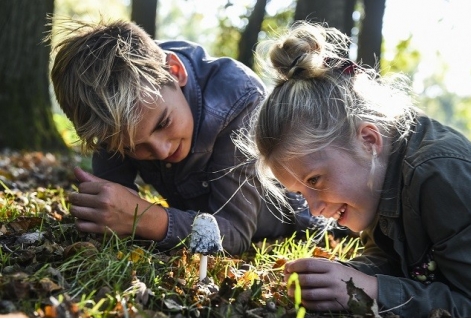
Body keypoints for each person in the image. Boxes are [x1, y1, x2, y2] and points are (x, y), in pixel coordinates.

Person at [242, 21, 471, 316]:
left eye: (315, 179)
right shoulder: (374, 178)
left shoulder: (440, 175)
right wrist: (347, 277)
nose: (314, 209)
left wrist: (371, 290)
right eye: (300, 192)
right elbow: (394, 254)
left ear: (368, 140)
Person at [49, 18, 317, 256]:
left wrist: (142, 218)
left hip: (305, 216)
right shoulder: (108, 108)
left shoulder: (239, 100)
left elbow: (234, 233)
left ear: (175, 72)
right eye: (134, 147)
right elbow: (109, 208)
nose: (162, 150)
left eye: (163, 123)